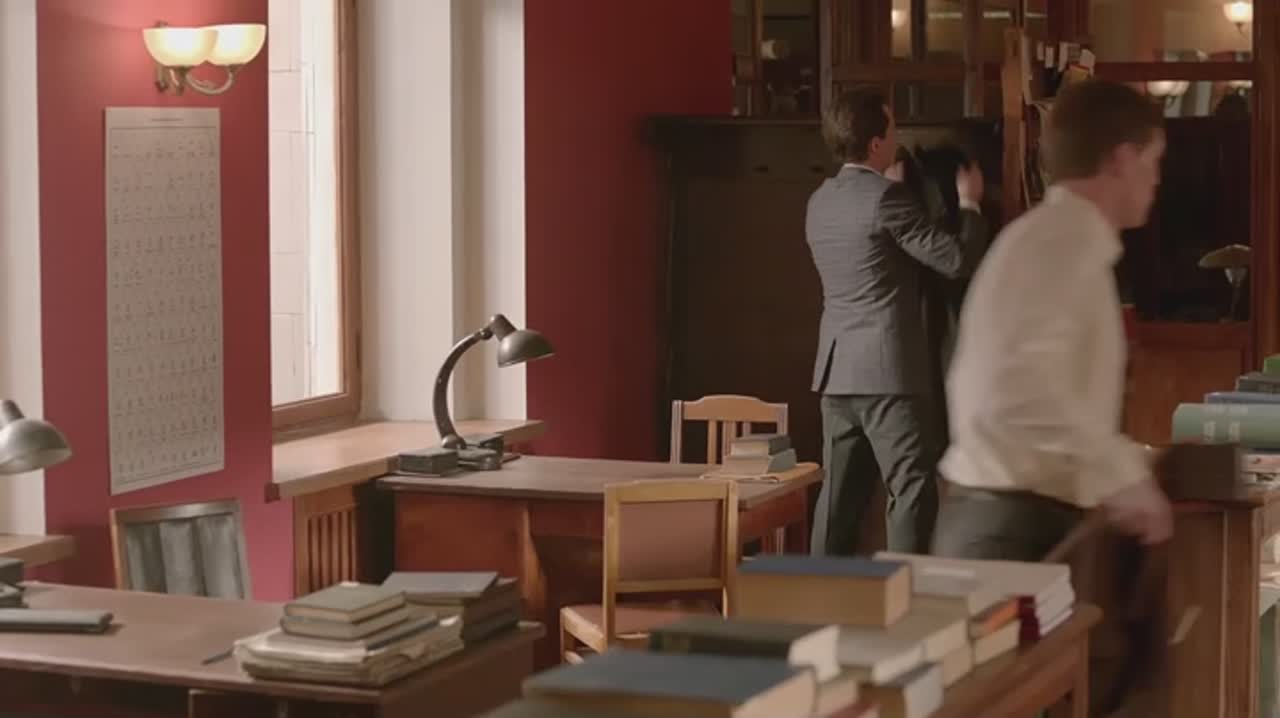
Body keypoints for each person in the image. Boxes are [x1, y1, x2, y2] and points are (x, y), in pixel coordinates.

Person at [932, 79, 1174, 561]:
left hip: (1017, 516)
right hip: (1008, 525)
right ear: (1121, 160)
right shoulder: (1061, 247)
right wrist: (1124, 478)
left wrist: (1127, 468)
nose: (1157, 179)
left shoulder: (1061, 239)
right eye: (1152, 161)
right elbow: (1026, 395)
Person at [805, 87, 988, 555]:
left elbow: (874, 250)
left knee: (837, 501)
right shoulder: (887, 200)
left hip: (836, 373)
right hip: (889, 376)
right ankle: (905, 588)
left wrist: (898, 191)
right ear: (875, 144)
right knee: (910, 490)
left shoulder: (820, 201)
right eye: (892, 129)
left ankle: (816, 587)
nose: (896, 136)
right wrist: (969, 203)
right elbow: (954, 259)